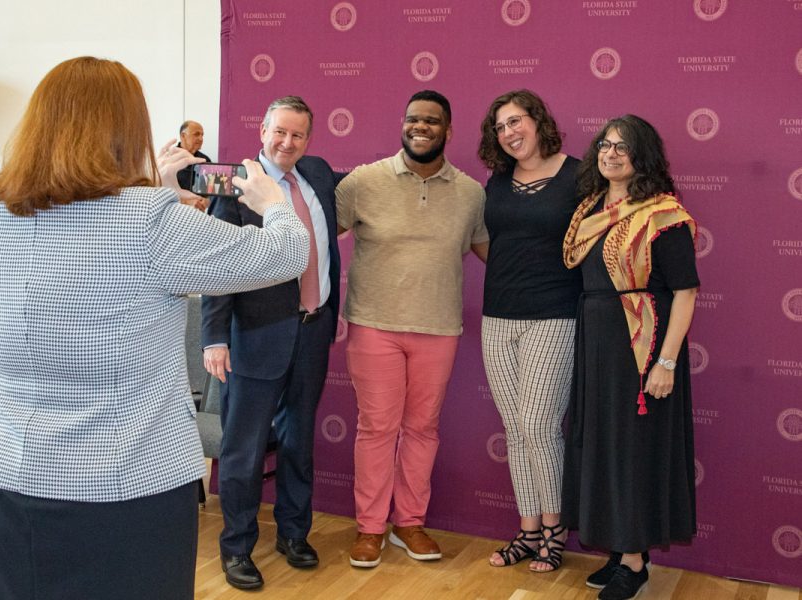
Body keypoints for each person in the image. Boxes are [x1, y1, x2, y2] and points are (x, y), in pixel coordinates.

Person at [0, 56, 310, 600]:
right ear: (129, 130)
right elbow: (285, 254)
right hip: (126, 486)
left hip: (8, 479)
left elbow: (77, 241)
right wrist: (271, 201)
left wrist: (150, 187)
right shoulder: (150, 221)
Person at [335, 90, 489, 568]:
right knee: (377, 428)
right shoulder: (363, 181)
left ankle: (409, 523)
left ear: (448, 130)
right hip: (373, 325)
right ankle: (370, 528)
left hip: (439, 327)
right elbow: (312, 237)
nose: (420, 126)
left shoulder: (471, 193)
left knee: (422, 428)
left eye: (432, 121)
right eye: (413, 119)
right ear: (403, 124)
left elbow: (494, 254)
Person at [201, 96, 343, 590]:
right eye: (279, 131)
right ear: (262, 129)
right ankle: (237, 547)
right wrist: (215, 337)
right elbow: (217, 264)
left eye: (298, 135)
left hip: (314, 330)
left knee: (299, 442)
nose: (287, 143)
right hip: (256, 337)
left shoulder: (319, 176)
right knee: (242, 451)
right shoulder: (236, 186)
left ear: (310, 139)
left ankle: (293, 533)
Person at [561, 115, 699, 600]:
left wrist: (665, 363)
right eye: (605, 144)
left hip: (642, 347)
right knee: (602, 444)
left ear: (644, 156)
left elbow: (685, 293)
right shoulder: (590, 210)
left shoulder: (663, 213)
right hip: (597, 341)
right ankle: (619, 550)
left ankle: (636, 561)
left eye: (623, 146)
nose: (611, 153)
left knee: (635, 448)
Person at [476, 90, 583, 572]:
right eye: (500, 127)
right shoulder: (496, 183)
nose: (509, 133)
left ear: (538, 121)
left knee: (540, 425)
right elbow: (488, 243)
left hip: (554, 315)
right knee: (516, 429)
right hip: (497, 316)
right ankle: (529, 527)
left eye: (515, 121)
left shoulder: (579, 175)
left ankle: (556, 527)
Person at [175, 119, 212, 191]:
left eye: (202, 135)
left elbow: (210, 188)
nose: (201, 139)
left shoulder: (205, 160)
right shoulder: (169, 158)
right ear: (183, 136)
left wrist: (206, 200)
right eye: (196, 134)